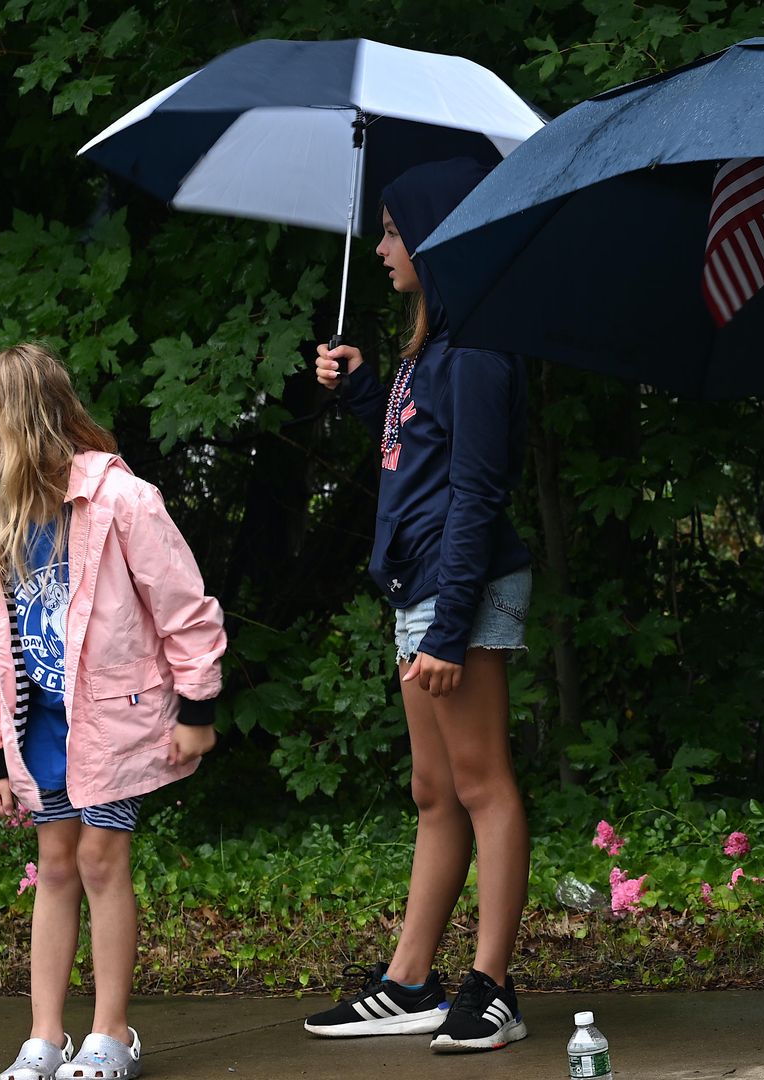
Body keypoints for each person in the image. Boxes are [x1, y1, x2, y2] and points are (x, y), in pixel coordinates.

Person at [303, 158, 534, 1053]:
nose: (382, 244)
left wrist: (448, 625)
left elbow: (475, 494)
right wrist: (366, 388)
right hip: (422, 585)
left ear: (436, 239)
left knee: (481, 783)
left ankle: (494, 988)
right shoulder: (429, 350)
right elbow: (420, 459)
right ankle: (409, 983)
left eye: (395, 230)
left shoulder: (476, 351)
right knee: (434, 789)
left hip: (458, 587)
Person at [0, 344, 226, 1080]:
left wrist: (196, 708)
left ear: (9, 429)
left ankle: (112, 1034)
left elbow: (185, 609)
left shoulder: (121, 501)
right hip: (41, 726)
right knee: (56, 863)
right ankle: (44, 1038)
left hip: (114, 718)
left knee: (103, 859)